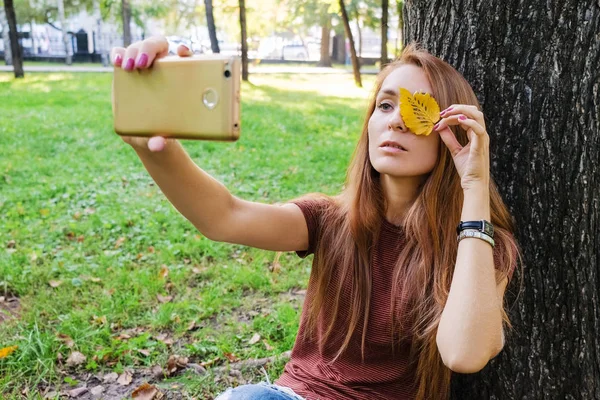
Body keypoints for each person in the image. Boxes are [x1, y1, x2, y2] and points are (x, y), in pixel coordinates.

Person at [111, 36, 520, 400]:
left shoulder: (479, 247)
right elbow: (224, 217)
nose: (395, 119)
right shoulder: (330, 219)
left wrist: (474, 187)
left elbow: (463, 354)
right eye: (385, 104)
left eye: (418, 110)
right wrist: (151, 147)